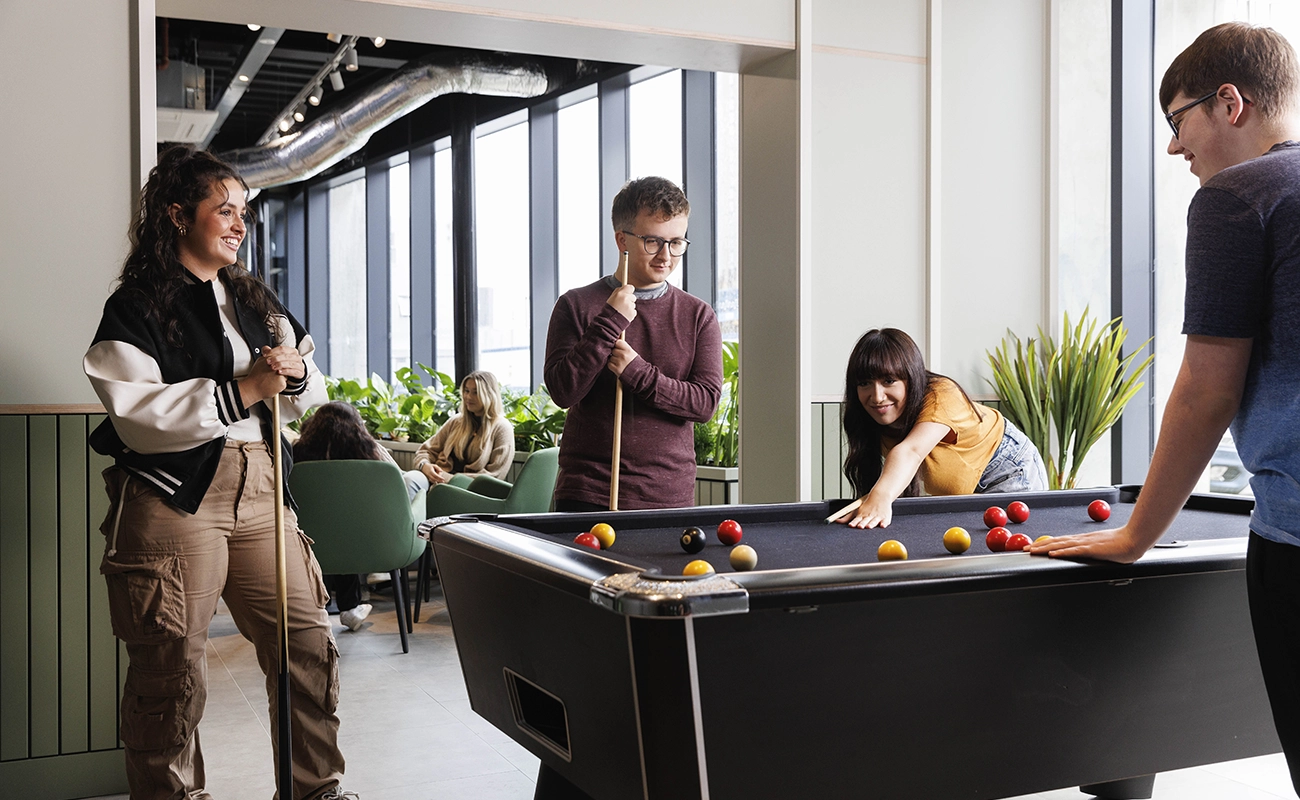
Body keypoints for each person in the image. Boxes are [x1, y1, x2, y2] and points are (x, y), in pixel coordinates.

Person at [1026, 21, 1300, 790]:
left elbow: (1208, 388)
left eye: (1176, 121)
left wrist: (1137, 533)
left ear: (1229, 102)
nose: (1176, 148)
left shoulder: (1238, 198)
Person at [83, 145, 356, 800]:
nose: (240, 225)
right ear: (178, 216)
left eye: (244, 212)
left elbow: (305, 390)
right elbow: (135, 416)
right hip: (173, 497)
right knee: (169, 671)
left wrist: (291, 376)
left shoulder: (255, 298)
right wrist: (249, 388)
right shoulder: (137, 305)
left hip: (262, 487)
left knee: (307, 646)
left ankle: (316, 792)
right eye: (224, 210)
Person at [543, 176, 722, 511]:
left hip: (667, 497)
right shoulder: (576, 305)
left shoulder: (698, 315)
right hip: (588, 493)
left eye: (677, 242)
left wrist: (637, 373)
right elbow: (562, 391)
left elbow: (705, 403)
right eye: (653, 241)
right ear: (622, 239)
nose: (666, 256)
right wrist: (610, 320)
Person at [837, 328, 1048, 529]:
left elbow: (911, 451)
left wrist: (881, 496)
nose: (877, 396)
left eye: (889, 381)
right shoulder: (871, 418)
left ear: (910, 378)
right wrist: (873, 498)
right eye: (864, 383)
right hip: (967, 489)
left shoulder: (942, 395)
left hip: (1010, 470)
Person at [294, 400, 419, 632]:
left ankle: (314, 607)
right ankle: (350, 608)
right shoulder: (370, 453)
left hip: (306, 541)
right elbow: (399, 483)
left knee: (330, 528)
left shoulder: (296, 453)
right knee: (346, 527)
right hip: (368, 540)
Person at [409, 370, 515, 489]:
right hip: (437, 478)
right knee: (409, 480)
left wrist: (448, 479)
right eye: (466, 391)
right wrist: (424, 465)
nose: (468, 397)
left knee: (438, 492)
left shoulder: (502, 428)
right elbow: (426, 451)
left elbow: (495, 475)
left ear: (489, 395)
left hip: (468, 490)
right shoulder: (456, 421)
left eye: (476, 392)